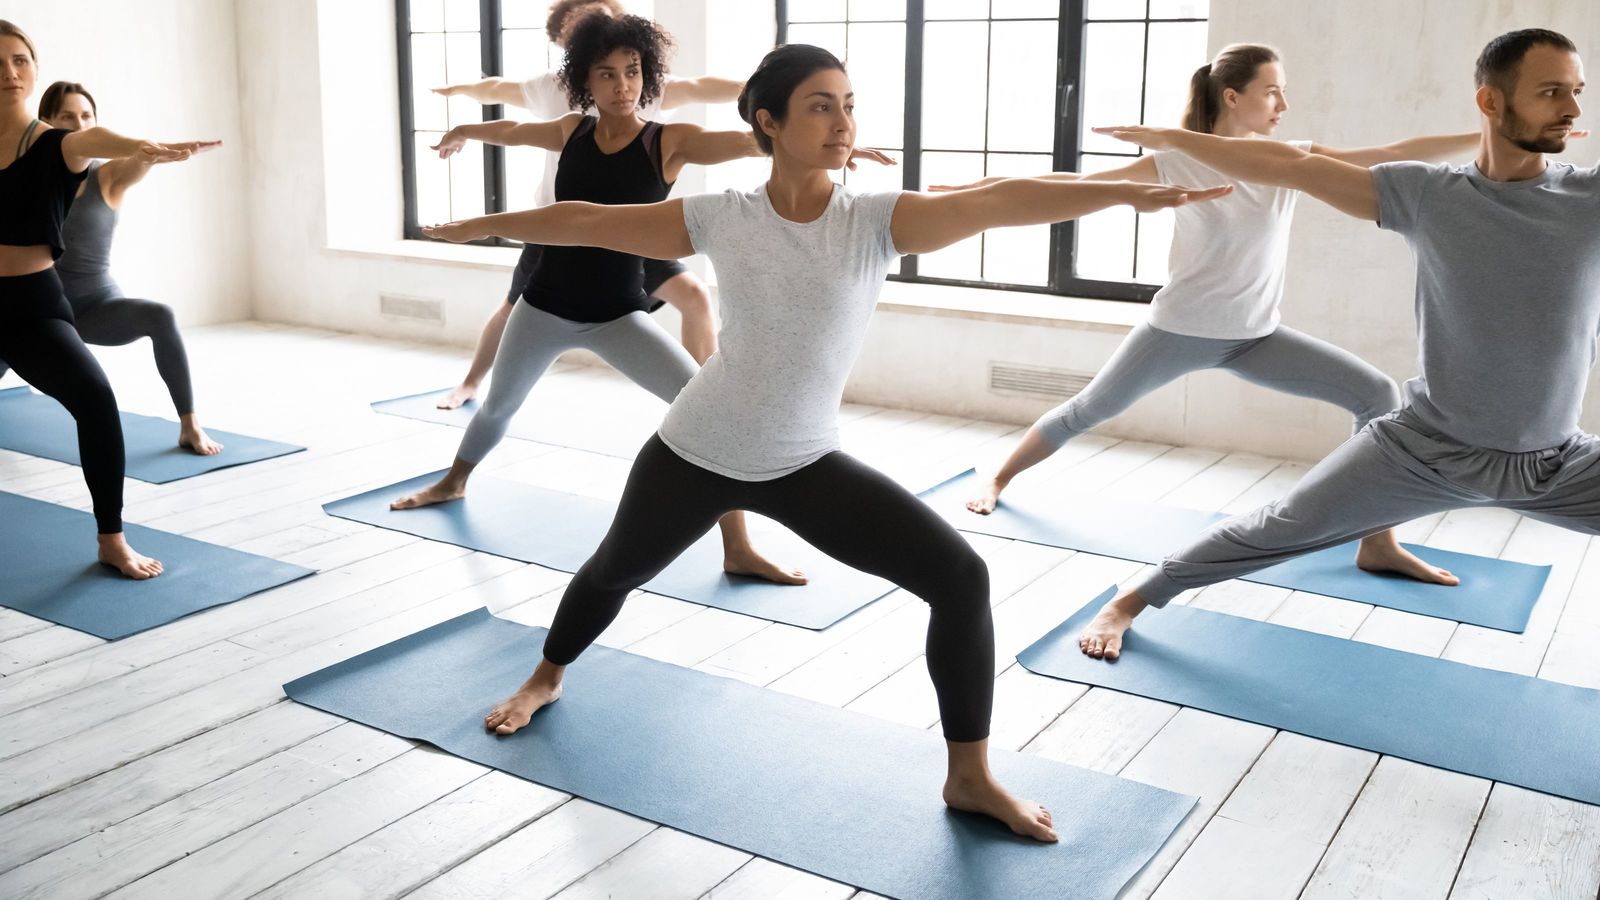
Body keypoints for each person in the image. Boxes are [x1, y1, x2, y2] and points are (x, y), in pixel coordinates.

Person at [423, 43, 1228, 841]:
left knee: (960, 578)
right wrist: (480, 226)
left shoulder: (877, 220)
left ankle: (970, 775)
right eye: (821, 106)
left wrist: (1124, 194)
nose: (843, 122)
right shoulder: (721, 216)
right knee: (612, 572)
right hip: (696, 449)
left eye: (848, 105)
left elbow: (1005, 196)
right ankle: (545, 677)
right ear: (767, 123)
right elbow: (586, 220)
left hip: (804, 461)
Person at [1073, 28, 1599, 661]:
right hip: (1425, 449)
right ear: (1490, 102)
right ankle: (1125, 601)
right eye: (1551, 92)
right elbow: (1291, 166)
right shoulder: (1428, 195)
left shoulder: (1588, 197)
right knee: (1276, 529)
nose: (1571, 109)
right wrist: (1174, 141)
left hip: (1553, 463)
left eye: (1576, 92)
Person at [943, 42, 1507, 588]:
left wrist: (1488, 132)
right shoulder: (1177, 160)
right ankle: (998, 476)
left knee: (1378, 395)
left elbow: (1391, 152)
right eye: (1272, 93)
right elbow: (1071, 186)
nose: (1283, 107)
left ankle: (1377, 542)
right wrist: (978, 192)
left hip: (1255, 337)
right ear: (1233, 97)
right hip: (1178, 332)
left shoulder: (1292, 160)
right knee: (1086, 411)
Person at [391, 14, 887, 585]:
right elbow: (510, 133)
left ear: (646, 76)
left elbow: (751, 142)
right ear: (586, 81)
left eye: (632, 72)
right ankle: (454, 480)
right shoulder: (569, 131)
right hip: (544, 306)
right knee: (499, 405)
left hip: (619, 317)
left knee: (712, 419)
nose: (623, 85)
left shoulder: (667, 141)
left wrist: (833, 140)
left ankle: (739, 547)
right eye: (607, 74)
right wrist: (464, 132)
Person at [428, 0, 746, 409]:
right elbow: (500, 100)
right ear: (570, 42)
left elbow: (704, 87)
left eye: (629, 68)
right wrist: (460, 103)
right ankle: (471, 382)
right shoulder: (552, 87)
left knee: (694, 295)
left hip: (632, 230)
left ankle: (703, 403)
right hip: (556, 230)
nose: (621, 83)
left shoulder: (643, 79)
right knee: (514, 309)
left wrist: (769, 91)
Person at [0, 20, 218, 578]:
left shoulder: (53, 144)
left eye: (20, 60)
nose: (9, 72)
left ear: (34, 67)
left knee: (96, 401)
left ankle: (111, 539)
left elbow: (92, 141)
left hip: (32, 306)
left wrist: (141, 147)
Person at [9, 80, 222, 455]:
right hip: (37, 312)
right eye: (67, 117)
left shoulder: (105, 177)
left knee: (160, 316)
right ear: (46, 122)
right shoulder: (26, 178)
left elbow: (135, 163)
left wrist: (151, 154)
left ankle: (190, 425)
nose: (79, 126)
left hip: (94, 310)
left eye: (86, 116)